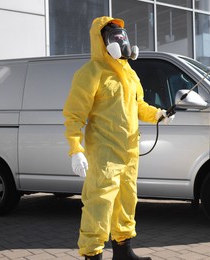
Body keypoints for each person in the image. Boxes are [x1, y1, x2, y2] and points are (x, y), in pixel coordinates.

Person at [63, 16, 173, 260]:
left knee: (126, 201)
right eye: (114, 38)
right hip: (104, 154)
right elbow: (74, 115)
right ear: (101, 42)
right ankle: (93, 255)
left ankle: (123, 252)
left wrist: (158, 114)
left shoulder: (130, 74)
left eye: (123, 38)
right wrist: (76, 149)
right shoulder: (91, 73)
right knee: (99, 204)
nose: (121, 42)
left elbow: (138, 105)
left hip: (129, 153)